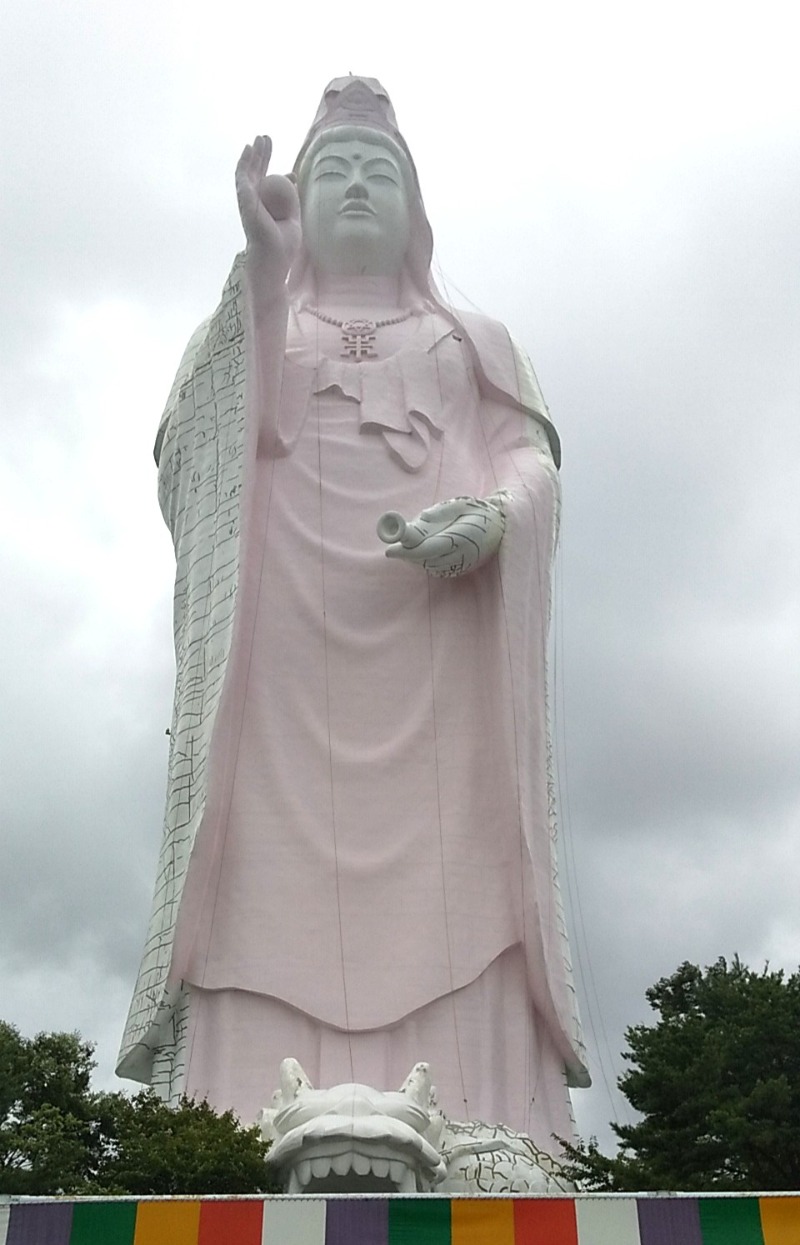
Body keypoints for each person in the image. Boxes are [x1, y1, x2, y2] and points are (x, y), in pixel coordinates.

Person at [117, 77, 589, 1148]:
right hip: (281, 653)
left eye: (380, 171)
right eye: (334, 171)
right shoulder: (255, 329)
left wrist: (490, 519)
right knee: (250, 852)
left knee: (461, 856)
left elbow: (533, 462)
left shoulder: (473, 340)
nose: (359, 187)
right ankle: (231, 1116)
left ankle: (489, 1122)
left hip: (439, 648)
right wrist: (265, 281)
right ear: (297, 199)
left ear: (416, 207)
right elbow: (199, 448)